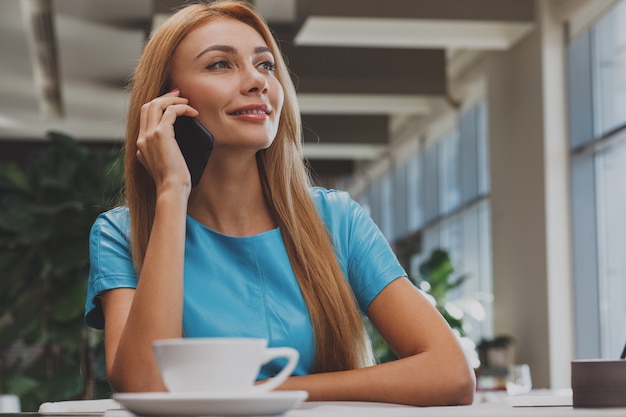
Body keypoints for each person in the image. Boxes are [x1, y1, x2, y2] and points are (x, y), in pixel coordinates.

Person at [84, 0, 475, 406]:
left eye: (265, 64)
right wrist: (171, 192)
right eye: (220, 64)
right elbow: (144, 385)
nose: (257, 82)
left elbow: (450, 372)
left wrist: (259, 394)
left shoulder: (337, 220)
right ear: (167, 101)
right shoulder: (120, 234)